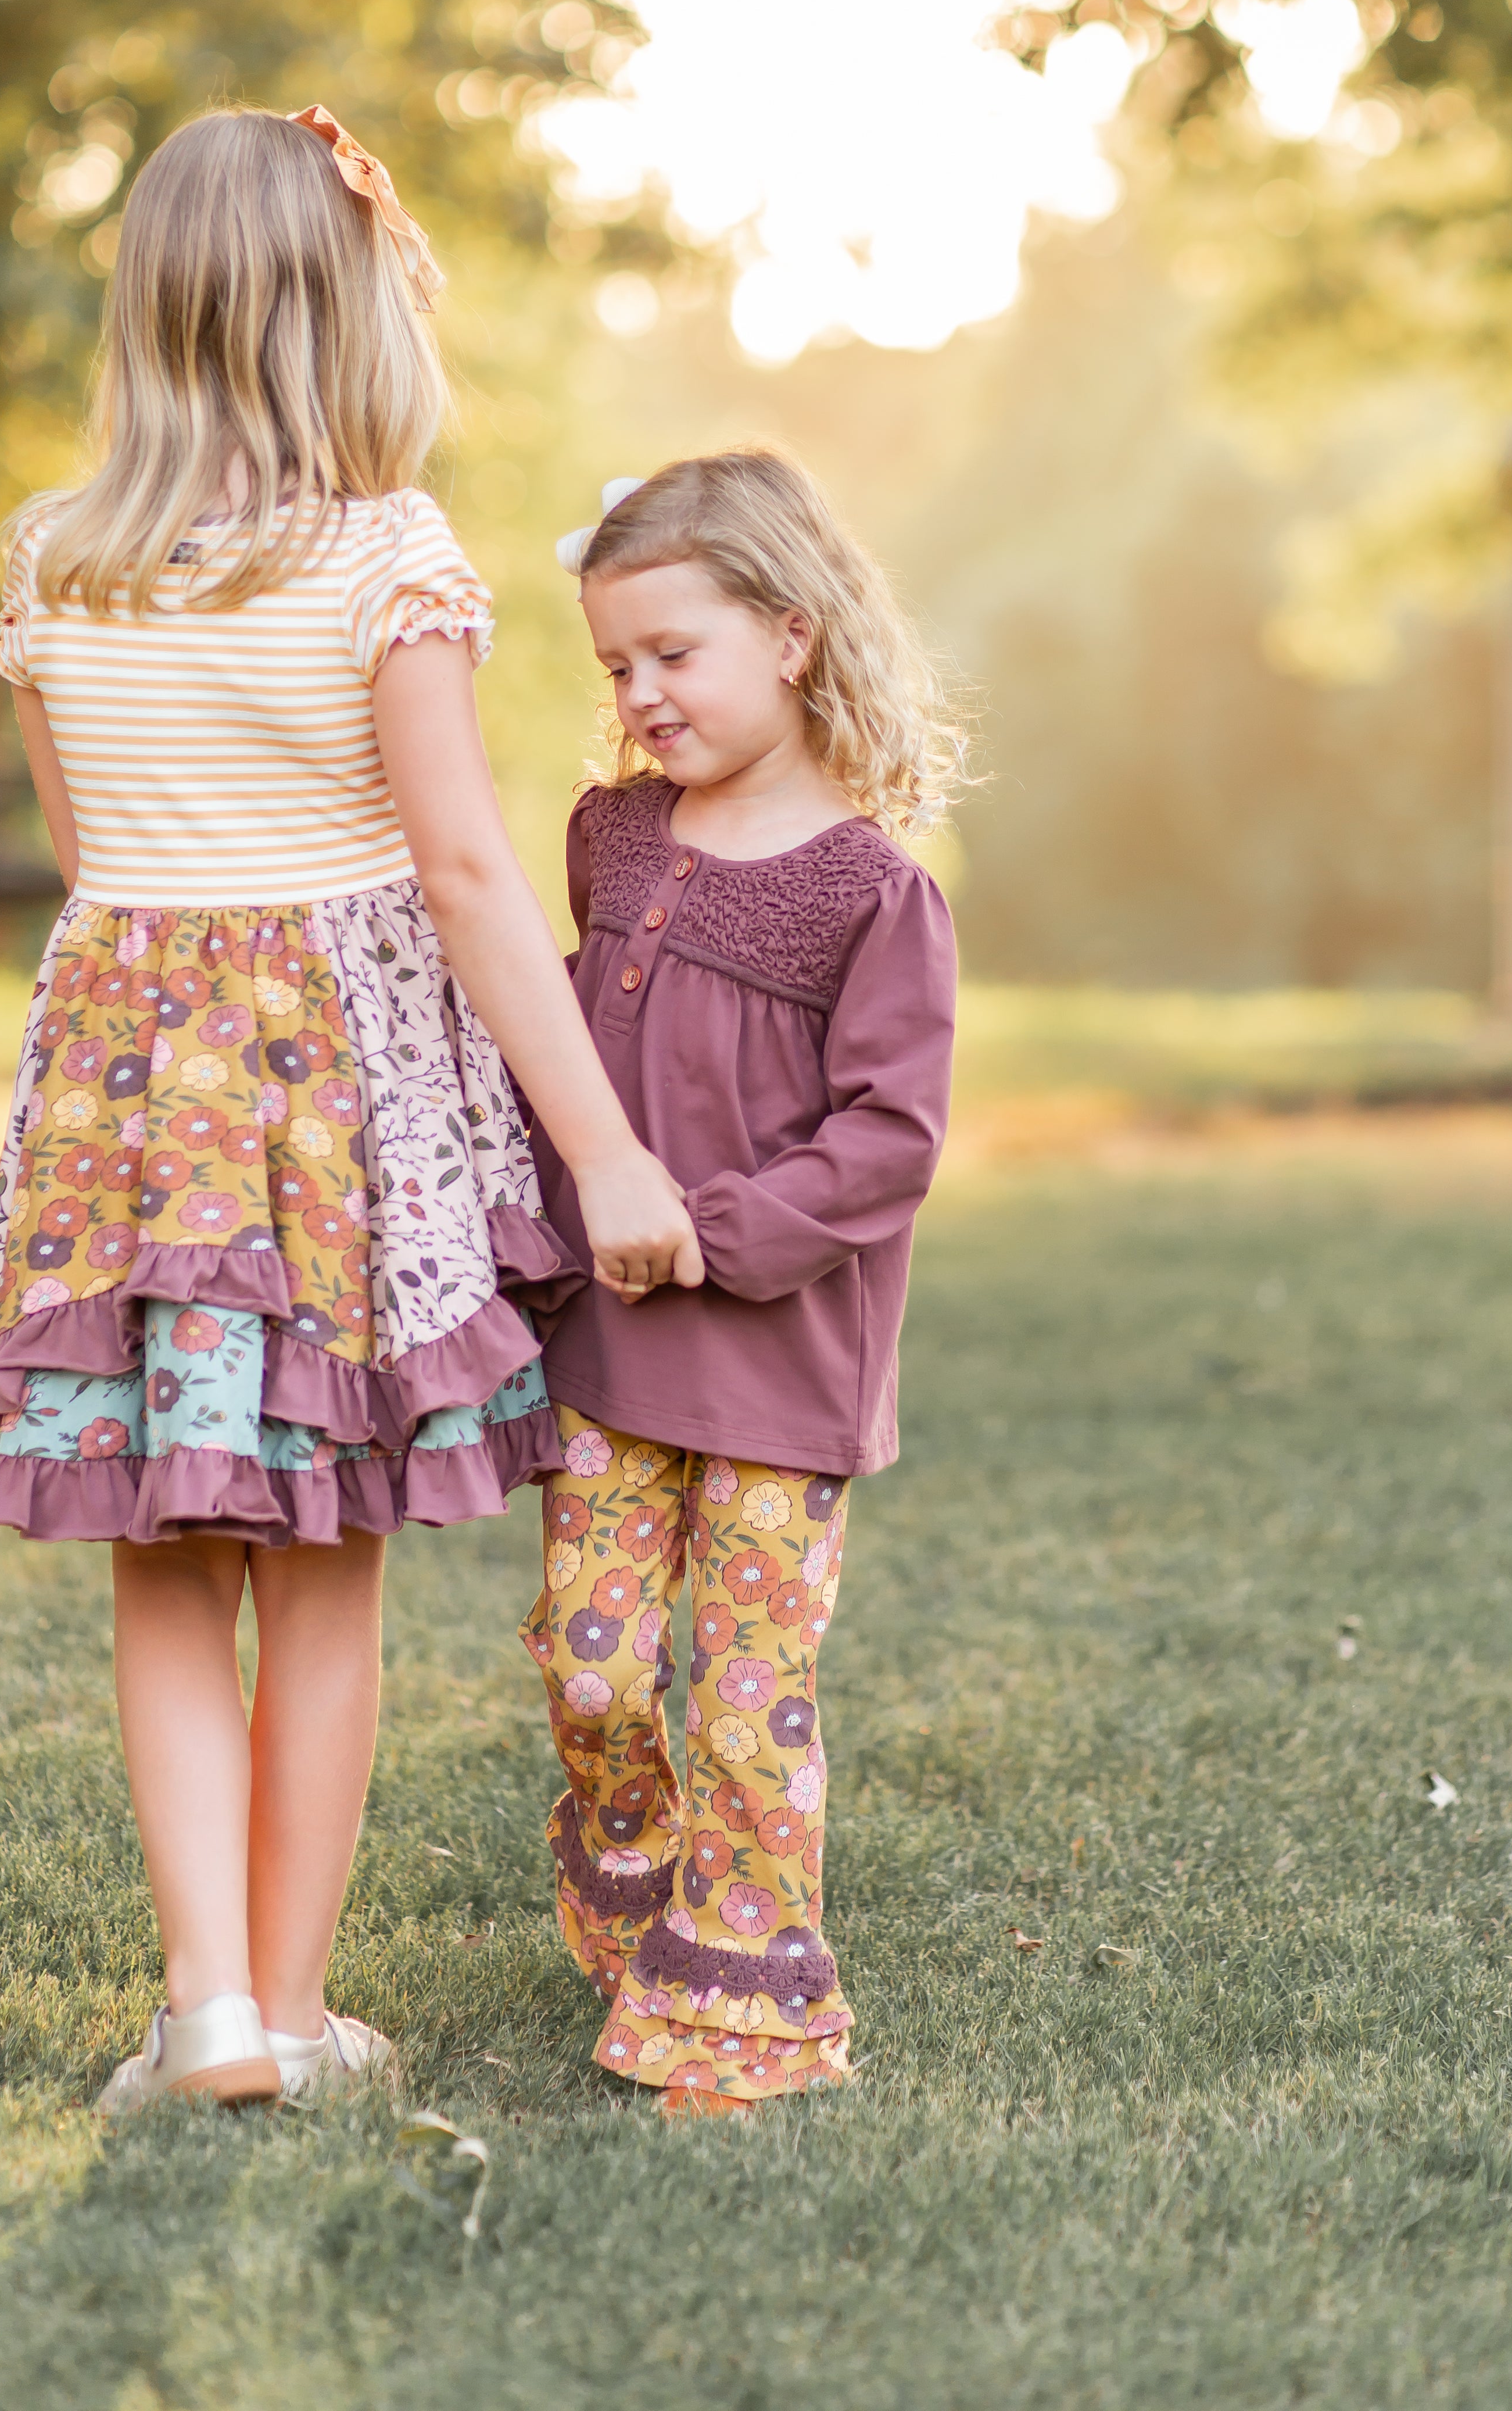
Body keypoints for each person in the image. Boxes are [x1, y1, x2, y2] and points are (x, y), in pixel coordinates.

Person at [0, 104, 700, 2117]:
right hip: (334, 1112)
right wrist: (605, 1148)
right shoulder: (387, 553)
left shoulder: (50, 559)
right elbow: (459, 874)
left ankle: (200, 2010)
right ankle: (291, 2008)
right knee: (324, 1553)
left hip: (123, 1103)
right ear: (345, 304)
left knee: (168, 1556)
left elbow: (90, 856)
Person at [523, 451, 962, 2112]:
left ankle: (742, 1989)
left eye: (673, 656)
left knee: (751, 1693)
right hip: (612, 1348)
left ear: (789, 636)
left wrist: (715, 1228)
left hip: (780, 1367)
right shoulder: (614, 842)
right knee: (593, 1660)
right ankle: (631, 1872)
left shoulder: (873, 891)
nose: (639, 694)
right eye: (614, 665)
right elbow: (567, 1045)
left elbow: (890, 1141)